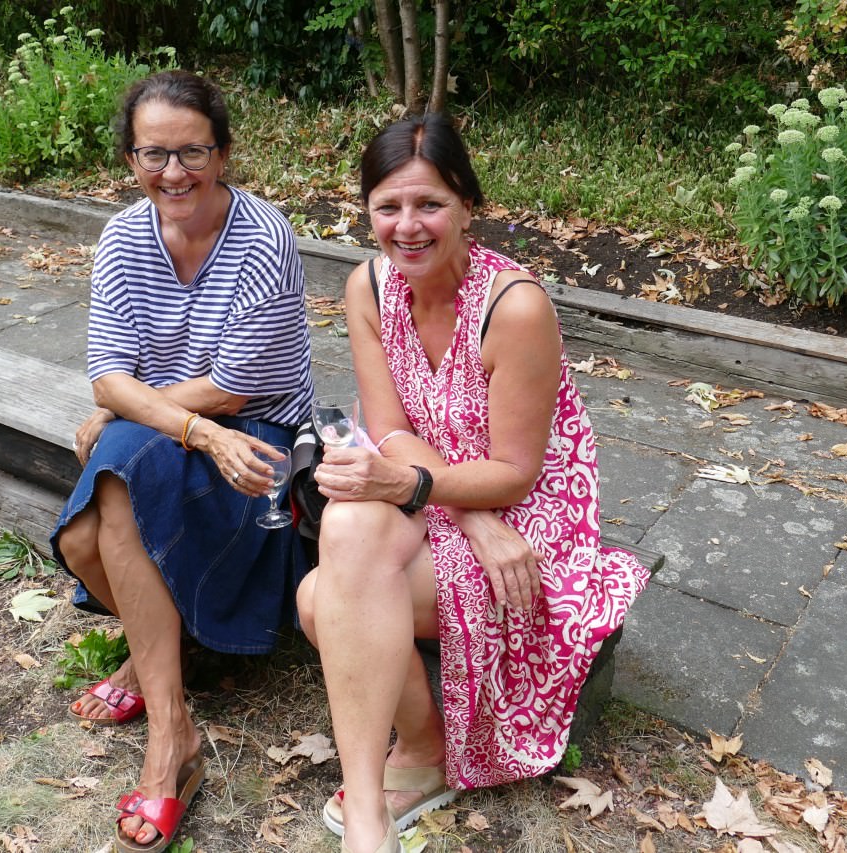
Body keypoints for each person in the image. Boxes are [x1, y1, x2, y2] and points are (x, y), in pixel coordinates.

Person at [296, 113, 650, 853]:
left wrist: (464, 508)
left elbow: (516, 473)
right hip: (443, 494)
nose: (407, 226)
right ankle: (371, 808)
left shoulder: (514, 307)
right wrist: (462, 513)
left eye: (429, 204)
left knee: (320, 597)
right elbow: (387, 426)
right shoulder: (367, 286)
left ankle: (420, 757)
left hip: (528, 518)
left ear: (467, 206)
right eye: (388, 207)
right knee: (348, 527)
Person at [51, 70, 313, 853]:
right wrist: (155, 415)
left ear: (223, 153)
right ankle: (154, 660)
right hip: (183, 426)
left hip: (258, 433)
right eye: (153, 153)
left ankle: (170, 737)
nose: (174, 172)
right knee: (80, 541)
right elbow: (107, 376)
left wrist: (130, 407)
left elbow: (232, 388)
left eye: (193, 151)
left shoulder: (264, 238)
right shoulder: (123, 238)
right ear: (130, 159)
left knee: (114, 478)